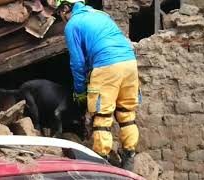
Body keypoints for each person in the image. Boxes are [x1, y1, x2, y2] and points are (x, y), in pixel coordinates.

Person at [55, 0, 141, 171]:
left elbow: (77, 63)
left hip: (106, 66)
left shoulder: (73, 24)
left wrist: (80, 91)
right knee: (126, 113)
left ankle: (101, 161)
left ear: (65, 8)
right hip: (130, 63)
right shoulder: (100, 15)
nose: (61, 18)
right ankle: (129, 157)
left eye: (60, 13)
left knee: (102, 116)